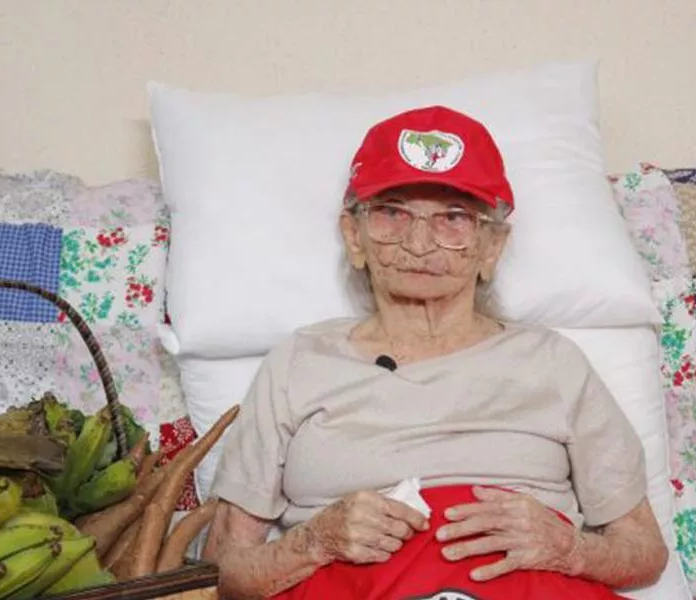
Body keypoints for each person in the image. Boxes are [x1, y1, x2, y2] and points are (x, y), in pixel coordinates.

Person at [201, 105, 669, 600]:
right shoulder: (298, 362)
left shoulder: (552, 361)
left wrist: (569, 549)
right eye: (392, 213)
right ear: (353, 236)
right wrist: (314, 542)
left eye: (454, 218)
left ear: (492, 247)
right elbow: (219, 575)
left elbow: (644, 552)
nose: (420, 243)